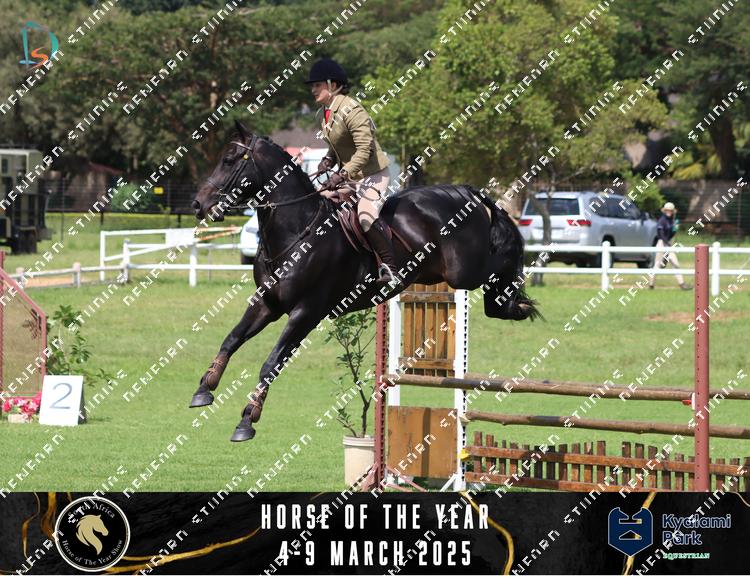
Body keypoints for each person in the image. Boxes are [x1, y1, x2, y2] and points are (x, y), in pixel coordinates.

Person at [304, 57, 398, 284]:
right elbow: (337, 144)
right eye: (313, 86)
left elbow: (365, 149)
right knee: (319, 205)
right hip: (350, 178)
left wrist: (341, 174)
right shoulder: (325, 112)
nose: (313, 90)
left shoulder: (352, 110)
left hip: (373, 175)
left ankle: (391, 269)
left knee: (365, 216)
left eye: (318, 85)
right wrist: (328, 159)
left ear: (333, 85)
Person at [649, 201, 692, 290]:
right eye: (667, 210)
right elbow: (661, 234)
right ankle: (651, 284)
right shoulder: (662, 220)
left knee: (675, 263)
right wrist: (667, 243)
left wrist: (675, 229)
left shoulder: (672, 221)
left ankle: (682, 284)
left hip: (668, 244)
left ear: (672, 211)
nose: (669, 212)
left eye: (670, 210)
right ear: (665, 211)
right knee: (657, 264)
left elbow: (671, 234)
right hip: (661, 243)